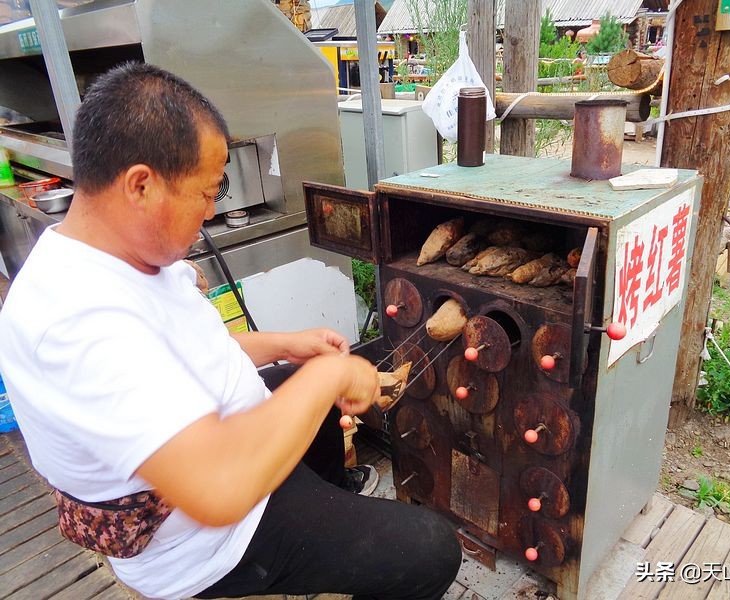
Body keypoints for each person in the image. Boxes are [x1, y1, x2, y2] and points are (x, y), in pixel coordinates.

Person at [0, 62, 461, 600]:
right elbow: (218, 489)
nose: (210, 210)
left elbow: (185, 350)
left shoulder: (121, 255)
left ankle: (331, 510)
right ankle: (315, 542)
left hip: (223, 444)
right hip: (205, 539)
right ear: (141, 185)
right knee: (432, 550)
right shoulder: (76, 321)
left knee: (307, 382)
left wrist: (285, 346)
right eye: (206, 192)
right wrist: (329, 377)